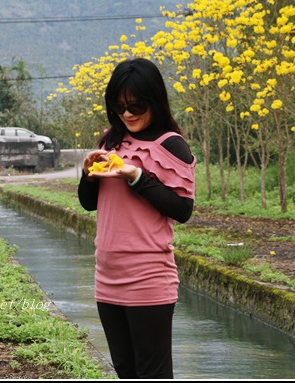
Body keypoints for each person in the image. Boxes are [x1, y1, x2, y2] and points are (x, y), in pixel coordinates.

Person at [77, 57, 195, 379]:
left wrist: (136, 176)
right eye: (119, 106)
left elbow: (182, 210)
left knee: (152, 373)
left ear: (154, 100)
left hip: (148, 278)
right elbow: (90, 204)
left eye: (136, 105)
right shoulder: (111, 140)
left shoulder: (171, 145)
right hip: (107, 276)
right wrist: (88, 173)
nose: (127, 114)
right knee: (126, 371)